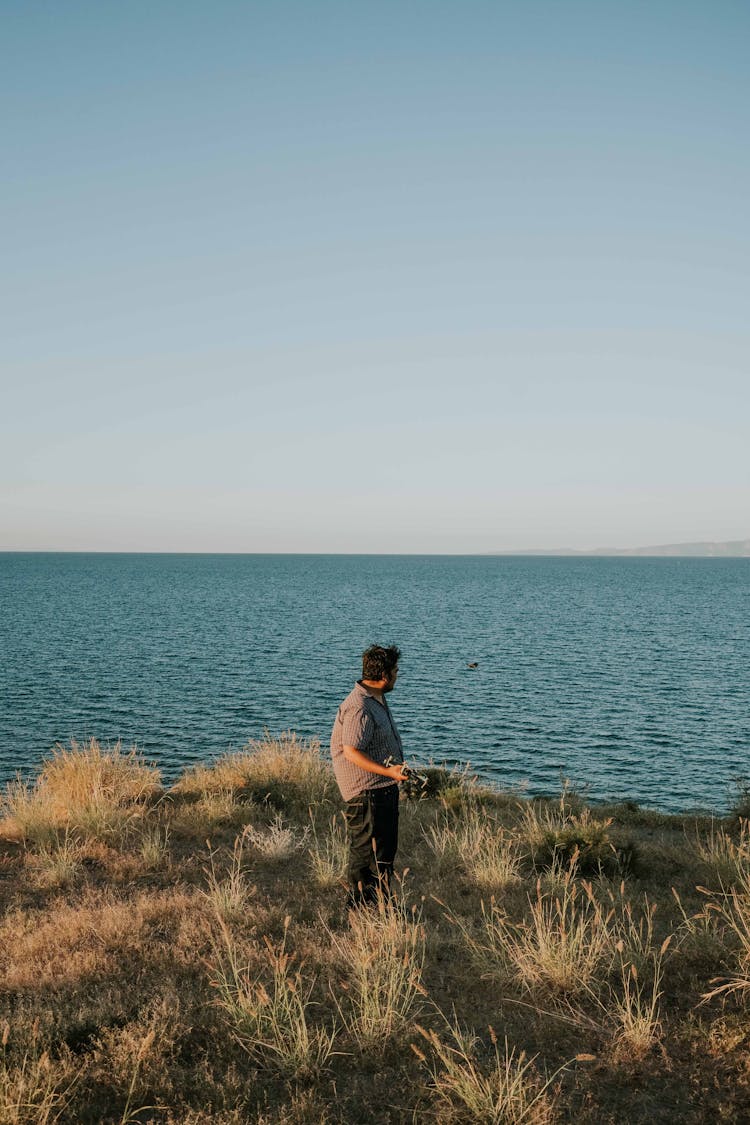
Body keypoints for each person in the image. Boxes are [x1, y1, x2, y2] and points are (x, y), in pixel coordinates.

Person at [330, 644, 410, 908]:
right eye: (396, 670)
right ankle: (361, 911)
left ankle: (383, 907)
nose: (398, 675)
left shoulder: (375, 698)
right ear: (385, 675)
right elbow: (351, 751)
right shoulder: (360, 706)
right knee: (366, 856)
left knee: (384, 854)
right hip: (367, 794)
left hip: (381, 790)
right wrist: (388, 771)